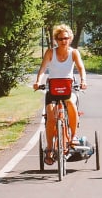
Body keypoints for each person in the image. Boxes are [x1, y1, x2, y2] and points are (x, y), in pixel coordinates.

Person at [33, 24, 88, 164]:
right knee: (50, 116)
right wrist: (38, 81)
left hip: (69, 87)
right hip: (53, 88)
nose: (64, 41)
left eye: (66, 38)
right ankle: (50, 148)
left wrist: (83, 81)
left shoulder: (74, 52)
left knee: (70, 104)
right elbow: (43, 68)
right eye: (61, 38)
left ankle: (74, 136)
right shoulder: (50, 52)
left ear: (70, 39)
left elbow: (81, 68)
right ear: (56, 39)